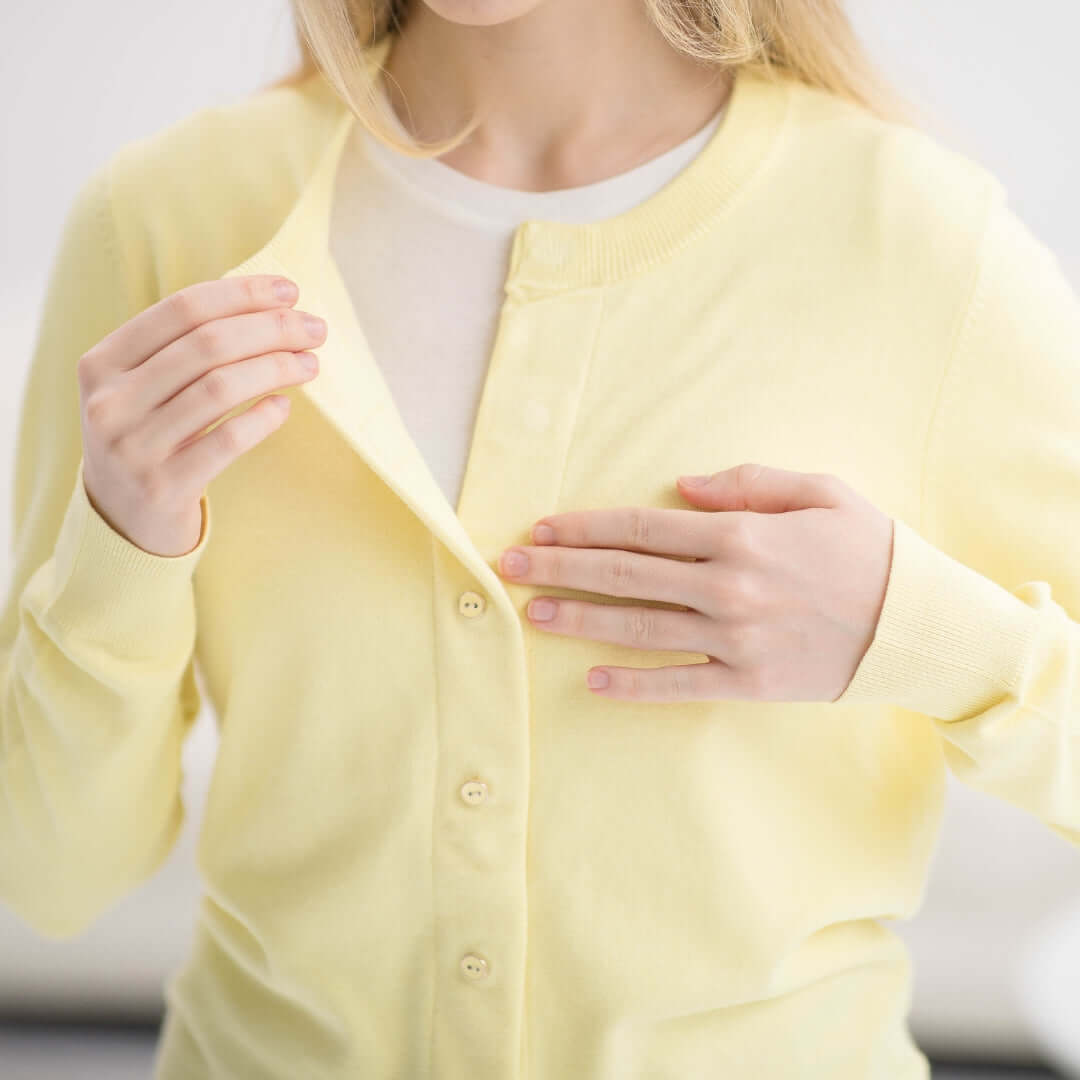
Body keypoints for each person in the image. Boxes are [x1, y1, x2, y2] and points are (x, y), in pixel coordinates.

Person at [2, 1, 1078, 1077]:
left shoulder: (920, 242)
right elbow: (52, 877)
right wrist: (119, 547)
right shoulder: (161, 223)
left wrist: (916, 632)